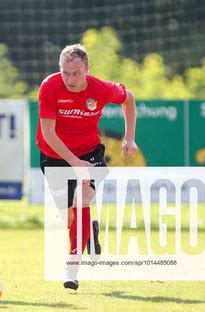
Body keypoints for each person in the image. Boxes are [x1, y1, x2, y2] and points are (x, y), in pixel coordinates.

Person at [36, 44, 137, 290]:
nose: (70, 79)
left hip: (89, 153)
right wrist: (73, 162)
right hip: (54, 156)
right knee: (69, 218)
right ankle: (89, 230)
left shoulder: (101, 89)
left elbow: (129, 98)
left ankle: (72, 269)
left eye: (76, 73)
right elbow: (48, 133)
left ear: (87, 70)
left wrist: (130, 137)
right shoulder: (49, 86)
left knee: (83, 198)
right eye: (65, 73)